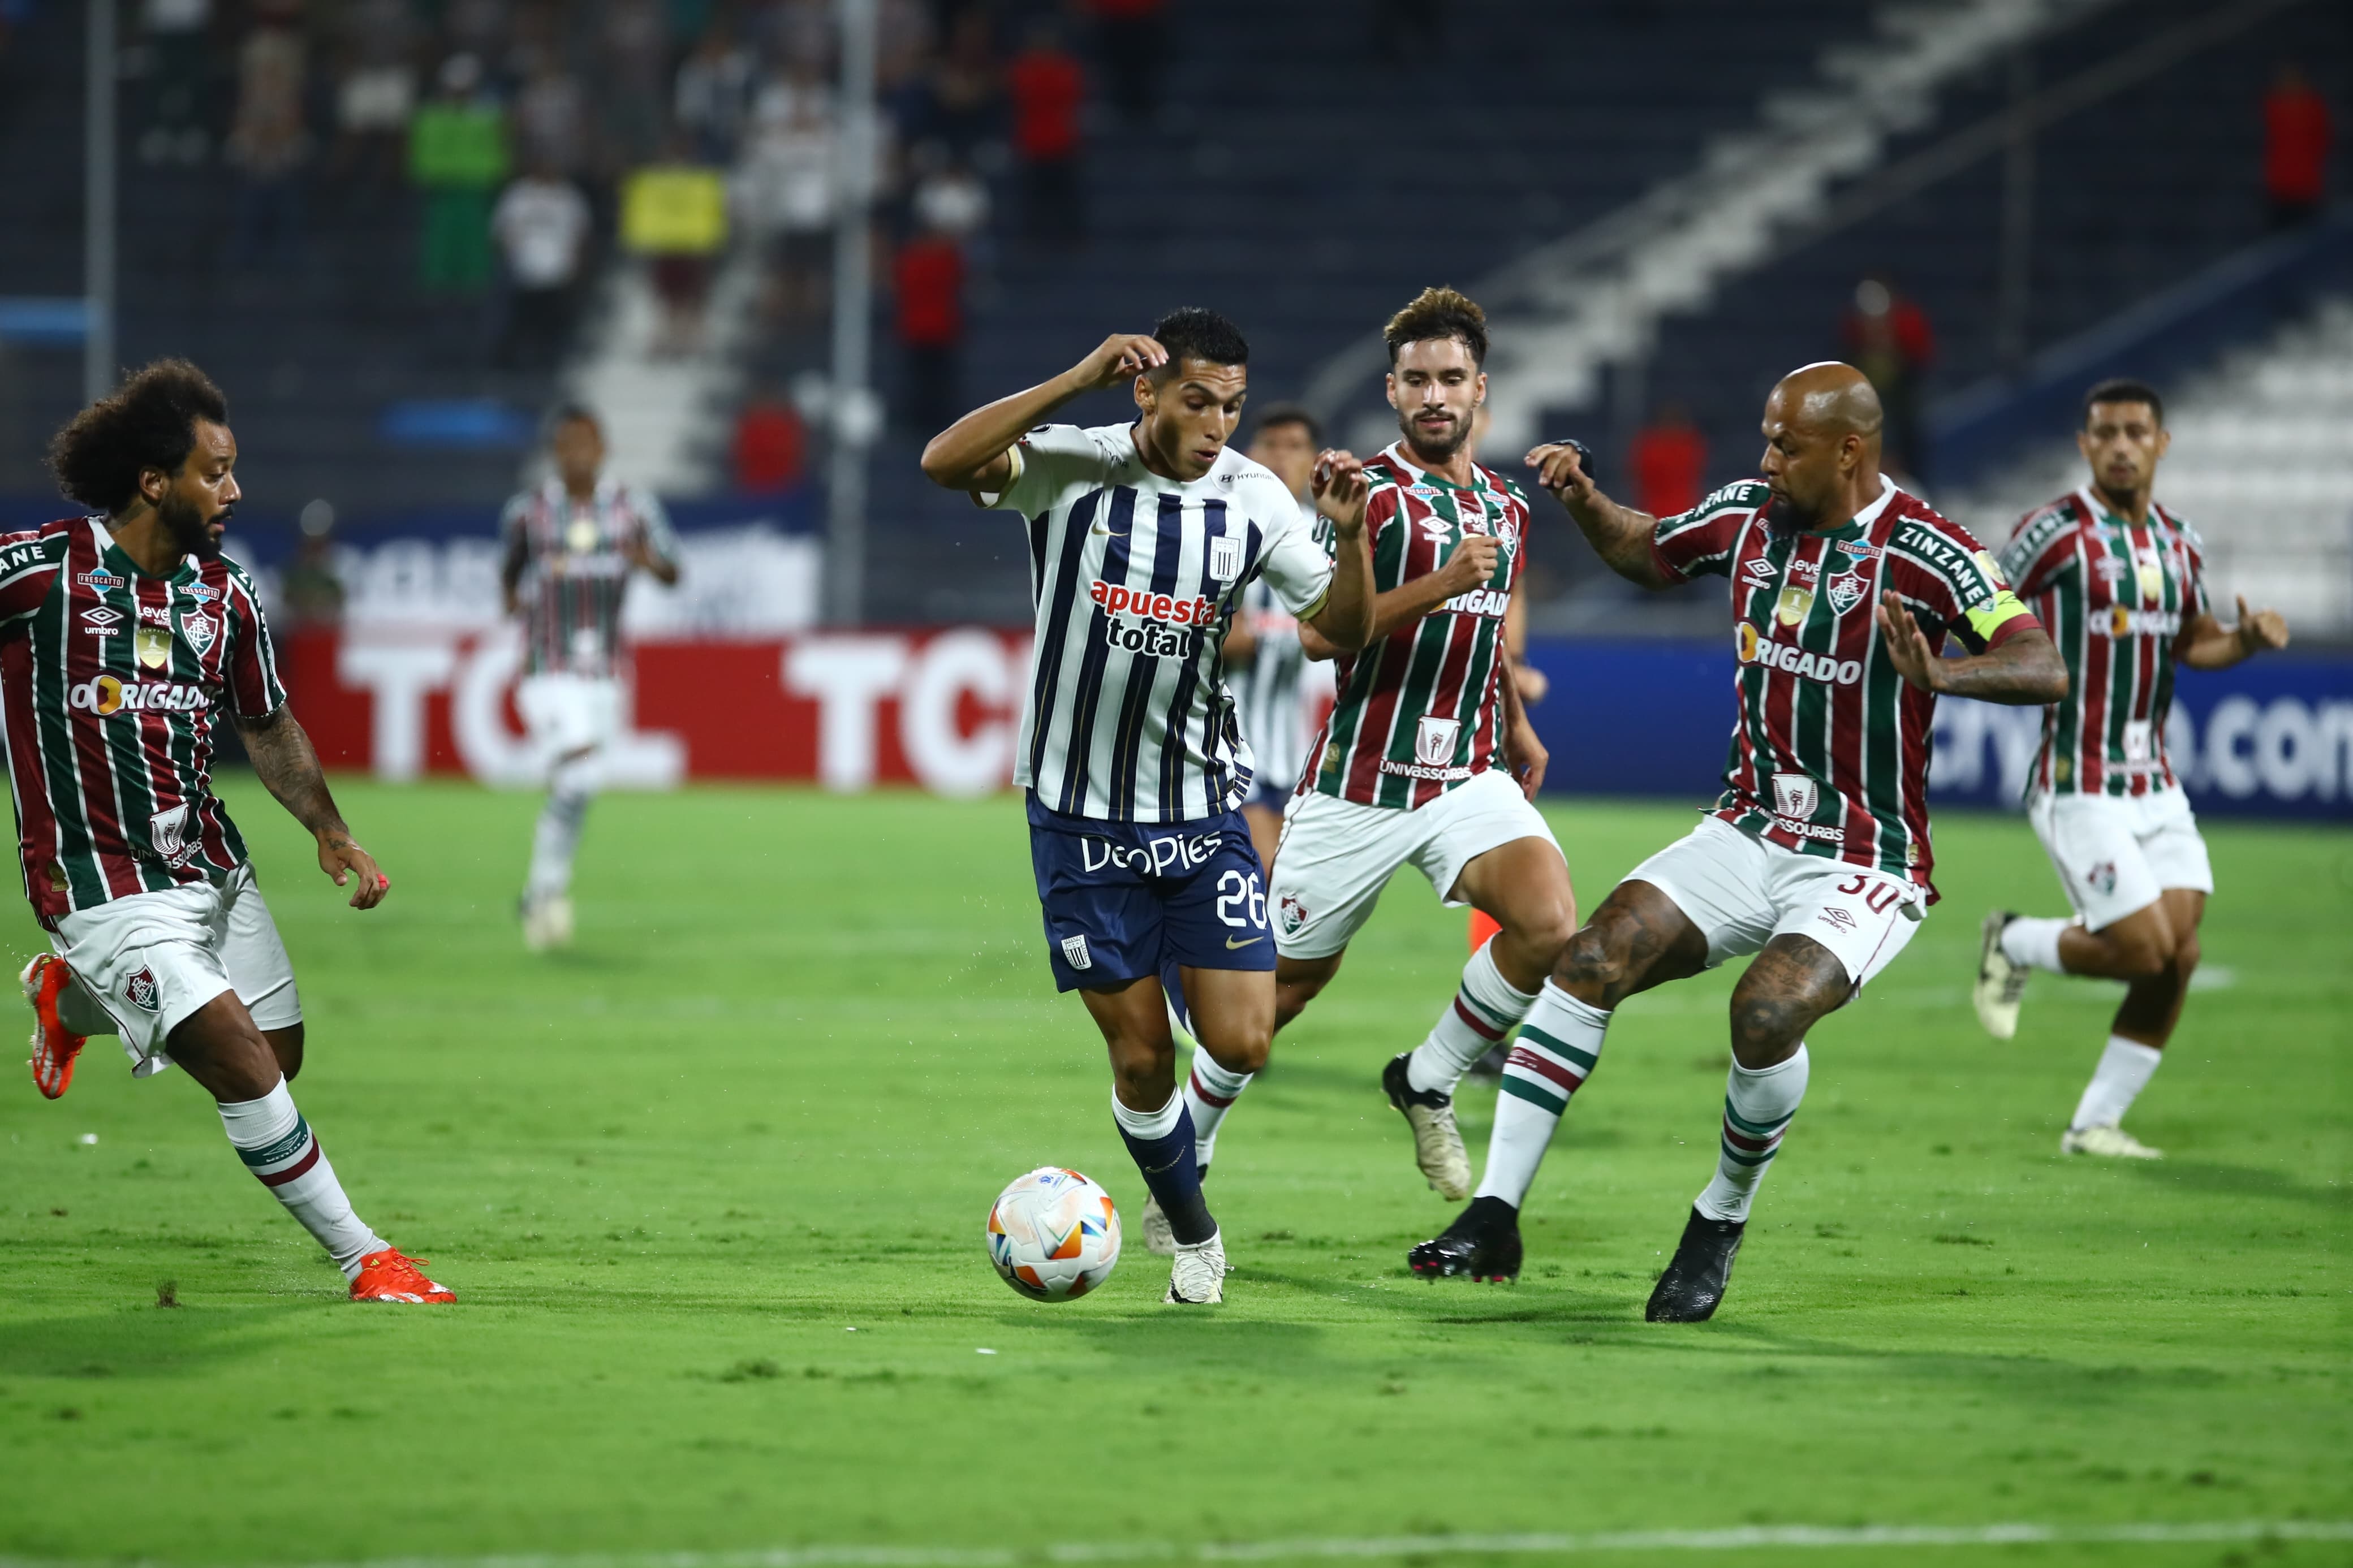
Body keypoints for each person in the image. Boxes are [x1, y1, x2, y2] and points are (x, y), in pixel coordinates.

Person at [1412, 362, 2066, 1321]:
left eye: (1785, 444)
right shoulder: (1751, 516)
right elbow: (1649, 550)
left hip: (1863, 856)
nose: (1765, 458)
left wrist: (1946, 672)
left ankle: (1717, 1220)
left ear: (1848, 450)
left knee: (1765, 1014)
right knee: (1589, 957)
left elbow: (2041, 660)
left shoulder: (1926, 546)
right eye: (1764, 436)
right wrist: (1587, 499)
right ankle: (1494, 1214)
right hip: (1747, 826)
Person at [918, 309, 1375, 1304]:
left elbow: (1337, 632)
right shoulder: (1072, 467)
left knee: (1244, 1039)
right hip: (1077, 819)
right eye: (1199, 400)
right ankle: (1198, 1236)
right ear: (1150, 392)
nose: (1217, 424)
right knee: (1140, 1057)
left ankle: (1182, 1177)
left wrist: (1351, 542)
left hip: (1201, 810)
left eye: (1232, 407)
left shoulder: (1255, 498)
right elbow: (943, 460)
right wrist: (1074, 375)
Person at [14, 360, 449, 1304]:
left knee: (275, 1059)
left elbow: (265, 722)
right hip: (102, 884)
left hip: (208, 862)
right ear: (154, 481)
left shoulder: (225, 594)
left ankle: (68, 1000)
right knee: (242, 1063)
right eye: (216, 471)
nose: (235, 490)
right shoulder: (45, 574)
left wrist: (330, 831)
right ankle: (367, 1256)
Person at [1168, 288, 1570, 1235]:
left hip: (1468, 772)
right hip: (1361, 784)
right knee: (1266, 1012)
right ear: (1392, 391)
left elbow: (1483, 632)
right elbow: (1320, 637)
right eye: (1419, 380)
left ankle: (1426, 1076)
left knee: (1551, 924)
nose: (1436, 395)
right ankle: (1190, 1143)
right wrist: (1438, 579)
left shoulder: (1506, 505)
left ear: (1483, 392)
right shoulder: (1363, 494)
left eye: (1453, 379)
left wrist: (1514, 721)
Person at [1973, 379, 2290, 1158]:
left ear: (2161, 444)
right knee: (2146, 950)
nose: (2120, 445)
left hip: (2157, 785)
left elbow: (2194, 641)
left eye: (2135, 432)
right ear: (2085, 446)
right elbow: (1982, 596)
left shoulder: (2182, 543)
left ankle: (2094, 1125)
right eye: (2105, 432)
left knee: (2178, 956)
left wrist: (2244, 640)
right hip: (2077, 781)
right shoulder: (2053, 532)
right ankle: (2015, 942)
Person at [499, 407, 680, 952]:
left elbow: (674, 570)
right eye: (567, 445)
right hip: (546, 669)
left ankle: (541, 891)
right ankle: (544, 892)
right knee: (578, 779)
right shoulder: (531, 512)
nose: (577, 454)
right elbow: (511, 568)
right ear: (557, 452)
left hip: (605, 673)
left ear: (603, 450)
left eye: (586, 444)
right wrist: (512, 601)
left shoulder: (634, 508)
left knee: (581, 789)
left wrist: (648, 561)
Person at [1221, 404, 1325, 870]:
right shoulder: (1226, 527)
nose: (1281, 457)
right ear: (1249, 456)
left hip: (1292, 753)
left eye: (1295, 447)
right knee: (1266, 877)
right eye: (1271, 446)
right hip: (1228, 748)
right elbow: (1217, 640)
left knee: (1292, 897)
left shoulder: (1324, 539)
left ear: (1315, 460)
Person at [492, 160, 592, 370]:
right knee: (520, 320)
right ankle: (515, 361)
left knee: (553, 324)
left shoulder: (568, 196)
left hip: (557, 272)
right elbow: (503, 230)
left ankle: (552, 361)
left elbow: (580, 232)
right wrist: (513, 258)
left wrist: (575, 264)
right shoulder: (518, 194)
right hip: (524, 270)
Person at [2262, 64, 2330, 230]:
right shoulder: (2272, 106)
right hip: (2279, 185)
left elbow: (2323, 141)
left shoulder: (2314, 107)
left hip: (2307, 185)